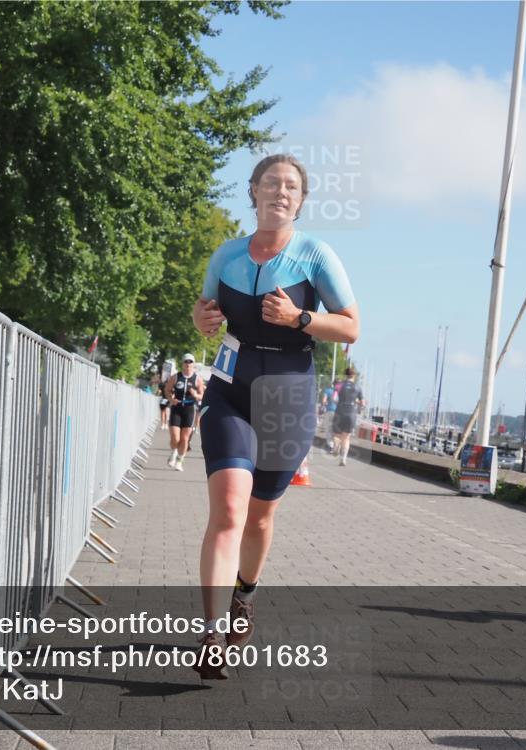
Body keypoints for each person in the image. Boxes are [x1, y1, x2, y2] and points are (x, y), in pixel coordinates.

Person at [190, 153, 359, 679]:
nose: (280, 192)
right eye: (270, 183)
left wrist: (300, 317)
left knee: (260, 516)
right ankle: (212, 635)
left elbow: (351, 328)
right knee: (228, 512)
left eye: (290, 186)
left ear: (301, 200)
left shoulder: (316, 254)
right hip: (230, 390)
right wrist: (201, 317)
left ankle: (246, 595)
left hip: (288, 395)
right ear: (254, 192)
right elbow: (204, 314)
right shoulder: (227, 254)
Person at [166, 354, 205, 471]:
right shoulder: (175, 377)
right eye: (186, 362)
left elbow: (201, 395)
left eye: (190, 362)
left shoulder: (197, 379)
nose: (188, 364)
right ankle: (173, 452)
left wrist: (195, 394)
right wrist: (171, 399)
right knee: (175, 437)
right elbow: (167, 390)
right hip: (177, 408)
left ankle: (179, 460)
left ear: (193, 365)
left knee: (185, 439)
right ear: (182, 364)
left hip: (190, 409)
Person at [331, 368, 364, 466]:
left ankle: (336, 447)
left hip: (340, 411)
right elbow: (362, 403)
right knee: (346, 437)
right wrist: (357, 402)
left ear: (345, 375)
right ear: (354, 376)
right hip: (351, 413)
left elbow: (333, 398)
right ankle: (343, 459)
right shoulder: (358, 387)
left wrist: (340, 402)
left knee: (337, 434)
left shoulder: (339, 385)